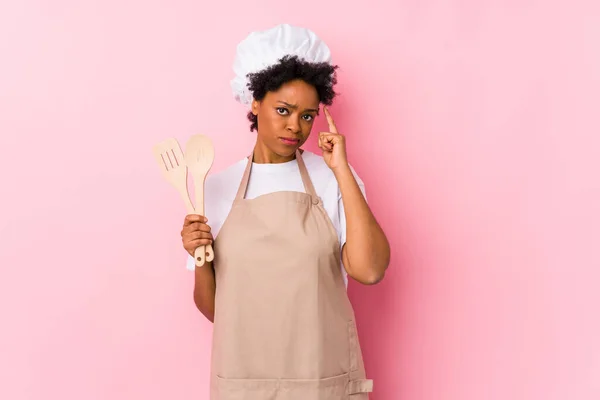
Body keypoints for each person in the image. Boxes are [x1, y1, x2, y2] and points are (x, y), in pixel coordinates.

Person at [179, 23, 390, 399]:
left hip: (321, 382)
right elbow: (216, 311)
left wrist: (341, 169)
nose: (296, 126)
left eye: (308, 115)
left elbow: (370, 269)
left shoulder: (333, 178)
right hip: (245, 386)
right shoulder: (215, 187)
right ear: (255, 102)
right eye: (283, 110)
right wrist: (198, 256)